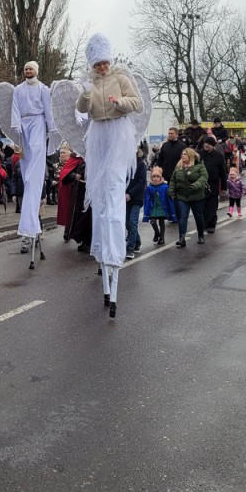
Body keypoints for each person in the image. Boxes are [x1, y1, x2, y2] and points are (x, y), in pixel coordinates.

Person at [76, 34, 143, 318]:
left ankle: (118, 248)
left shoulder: (120, 76)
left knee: (115, 186)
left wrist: (120, 102)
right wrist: (86, 94)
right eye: (98, 64)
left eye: (105, 63)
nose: (102, 68)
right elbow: (81, 109)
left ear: (110, 60)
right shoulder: (91, 80)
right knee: (100, 191)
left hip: (118, 130)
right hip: (98, 133)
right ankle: (102, 248)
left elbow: (137, 103)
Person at [10, 60, 57, 255]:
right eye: (25, 68)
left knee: (36, 151)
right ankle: (29, 175)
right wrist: (15, 125)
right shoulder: (18, 89)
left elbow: (48, 110)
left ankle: (32, 175)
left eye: (30, 68)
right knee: (26, 159)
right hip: (24, 122)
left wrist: (52, 128)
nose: (27, 71)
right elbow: (14, 108)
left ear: (36, 71)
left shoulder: (43, 89)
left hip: (37, 121)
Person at [169, 148, 208, 247]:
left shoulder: (199, 166)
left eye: (185, 154)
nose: (183, 156)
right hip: (182, 196)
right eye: (182, 154)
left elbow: (204, 177)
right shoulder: (179, 166)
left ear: (190, 156)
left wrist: (197, 185)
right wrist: (171, 191)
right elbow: (173, 179)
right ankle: (182, 238)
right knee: (183, 216)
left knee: (198, 216)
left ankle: (200, 235)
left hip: (196, 195)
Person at [200, 136, 227, 233]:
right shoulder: (199, 154)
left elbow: (223, 172)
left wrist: (224, 186)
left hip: (214, 184)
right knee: (203, 206)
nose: (206, 145)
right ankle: (204, 223)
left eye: (209, 144)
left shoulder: (218, 156)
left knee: (212, 206)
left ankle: (211, 224)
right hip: (201, 184)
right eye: (205, 143)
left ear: (213, 145)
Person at [125, 149, 147, 258]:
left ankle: (130, 248)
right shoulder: (124, 163)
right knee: (127, 223)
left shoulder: (141, 164)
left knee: (132, 222)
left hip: (136, 198)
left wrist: (130, 194)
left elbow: (141, 181)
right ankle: (137, 242)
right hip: (125, 198)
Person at [142, 167, 168, 244]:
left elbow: (168, 198)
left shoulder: (165, 187)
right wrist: (147, 210)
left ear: (160, 177)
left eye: (157, 177)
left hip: (162, 208)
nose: (155, 179)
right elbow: (147, 199)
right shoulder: (149, 188)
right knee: (153, 222)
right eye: (154, 177)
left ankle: (162, 238)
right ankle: (157, 233)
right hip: (153, 208)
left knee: (161, 223)